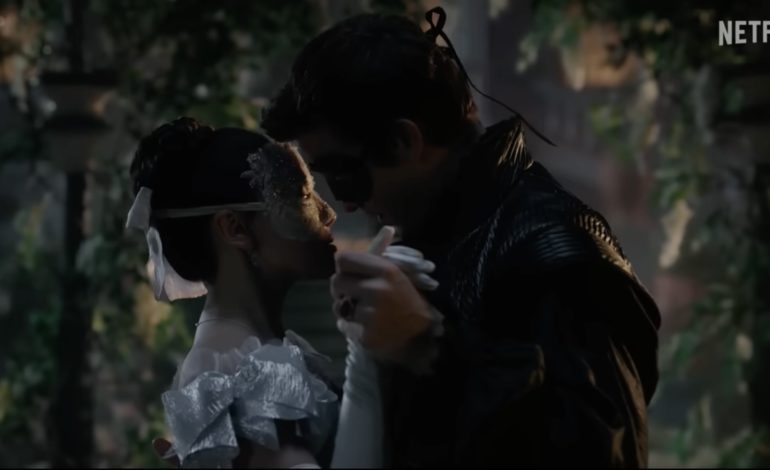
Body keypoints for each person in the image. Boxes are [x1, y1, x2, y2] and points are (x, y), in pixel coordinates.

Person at [260, 7, 662, 467]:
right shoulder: (436, 233)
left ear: (403, 142)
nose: (345, 204)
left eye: (343, 175)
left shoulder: (554, 249)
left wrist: (428, 345)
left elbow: (606, 454)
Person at [128, 117, 434, 468]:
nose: (328, 213)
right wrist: (365, 361)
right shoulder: (235, 368)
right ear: (235, 228)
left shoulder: (254, 350)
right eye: (301, 196)